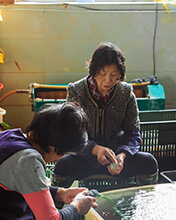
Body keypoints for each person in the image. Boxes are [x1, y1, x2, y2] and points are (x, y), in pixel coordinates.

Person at [51, 42, 158, 189]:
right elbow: (71, 133)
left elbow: (133, 132)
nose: (108, 80)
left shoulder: (125, 93)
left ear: (120, 73)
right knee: (63, 165)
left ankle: (144, 200)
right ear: (93, 70)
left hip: (116, 160)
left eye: (114, 74)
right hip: (85, 159)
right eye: (102, 73)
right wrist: (95, 149)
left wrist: (122, 155)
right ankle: (56, 203)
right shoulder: (76, 91)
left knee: (148, 161)